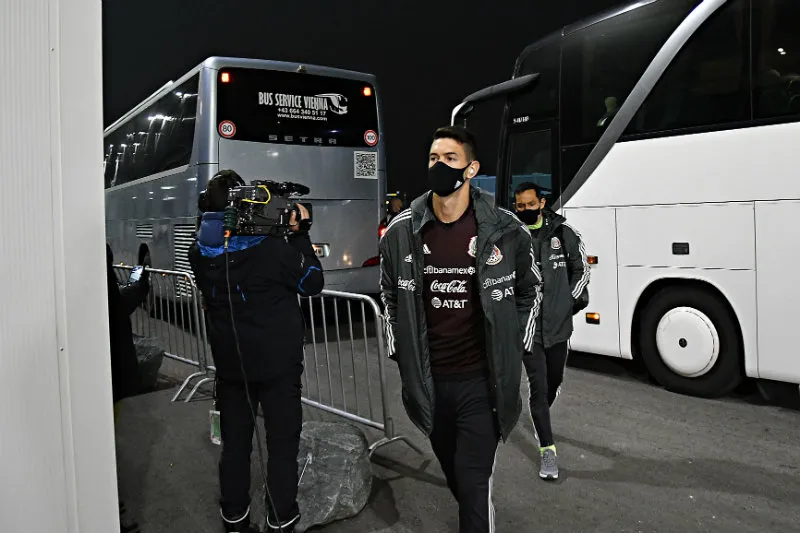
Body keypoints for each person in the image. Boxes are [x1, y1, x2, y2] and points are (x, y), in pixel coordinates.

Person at [379, 126, 542, 533]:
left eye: (450, 159)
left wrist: (513, 342)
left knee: (471, 482)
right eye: (434, 158)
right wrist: (399, 347)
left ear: (471, 169)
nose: (439, 165)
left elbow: (530, 289)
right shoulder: (402, 230)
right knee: (456, 474)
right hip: (430, 383)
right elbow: (388, 291)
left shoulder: (504, 229)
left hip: (480, 384)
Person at [189, 170, 323, 533]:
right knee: (281, 447)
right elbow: (312, 281)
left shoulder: (198, 253)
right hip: (278, 368)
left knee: (235, 448)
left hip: (231, 367)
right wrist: (301, 234)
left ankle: (234, 518)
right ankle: (281, 520)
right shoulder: (273, 251)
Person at [513, 182, 590, 481]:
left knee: (553, 381)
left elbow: (581, 269)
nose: (525, 210)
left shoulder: (564, 233)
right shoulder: (512, 237)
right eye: (520, 206)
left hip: (558, 327)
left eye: (530, 205)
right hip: (529, 329)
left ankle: (539, 412)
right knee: (538, 386)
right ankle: (548, 449)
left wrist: (568, 300)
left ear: (542, 203)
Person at [105, 243, 150, 533]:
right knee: (104, 439)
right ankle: (109, 508)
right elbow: (114, 307)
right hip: (107, 368)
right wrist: (139, 284)